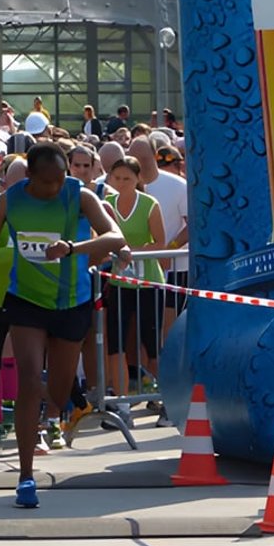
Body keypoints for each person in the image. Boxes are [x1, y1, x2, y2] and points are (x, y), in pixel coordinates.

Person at [0, 142, 125, 510]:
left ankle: (57, 404)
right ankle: (25, 476)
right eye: (47, 181)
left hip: (71, 302)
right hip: (26, 302)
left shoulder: (78, 195)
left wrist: (73, 248)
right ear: (30, 176)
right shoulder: (8, 201)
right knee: (29, 381)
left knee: (59, 393)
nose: (55, 187)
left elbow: (116, 237)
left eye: (60, 178)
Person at [103, 156, 165, 402]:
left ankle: (160, 397)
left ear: (138, 179)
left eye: (127, 178)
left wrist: (132, 251)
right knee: (116, 339)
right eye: (117, 178)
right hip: (119, 282)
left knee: (151, 340)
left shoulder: (150, 204)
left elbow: (160, 243)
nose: (121, 183)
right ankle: (121, 400)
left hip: (148, 281)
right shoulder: (106, 204)